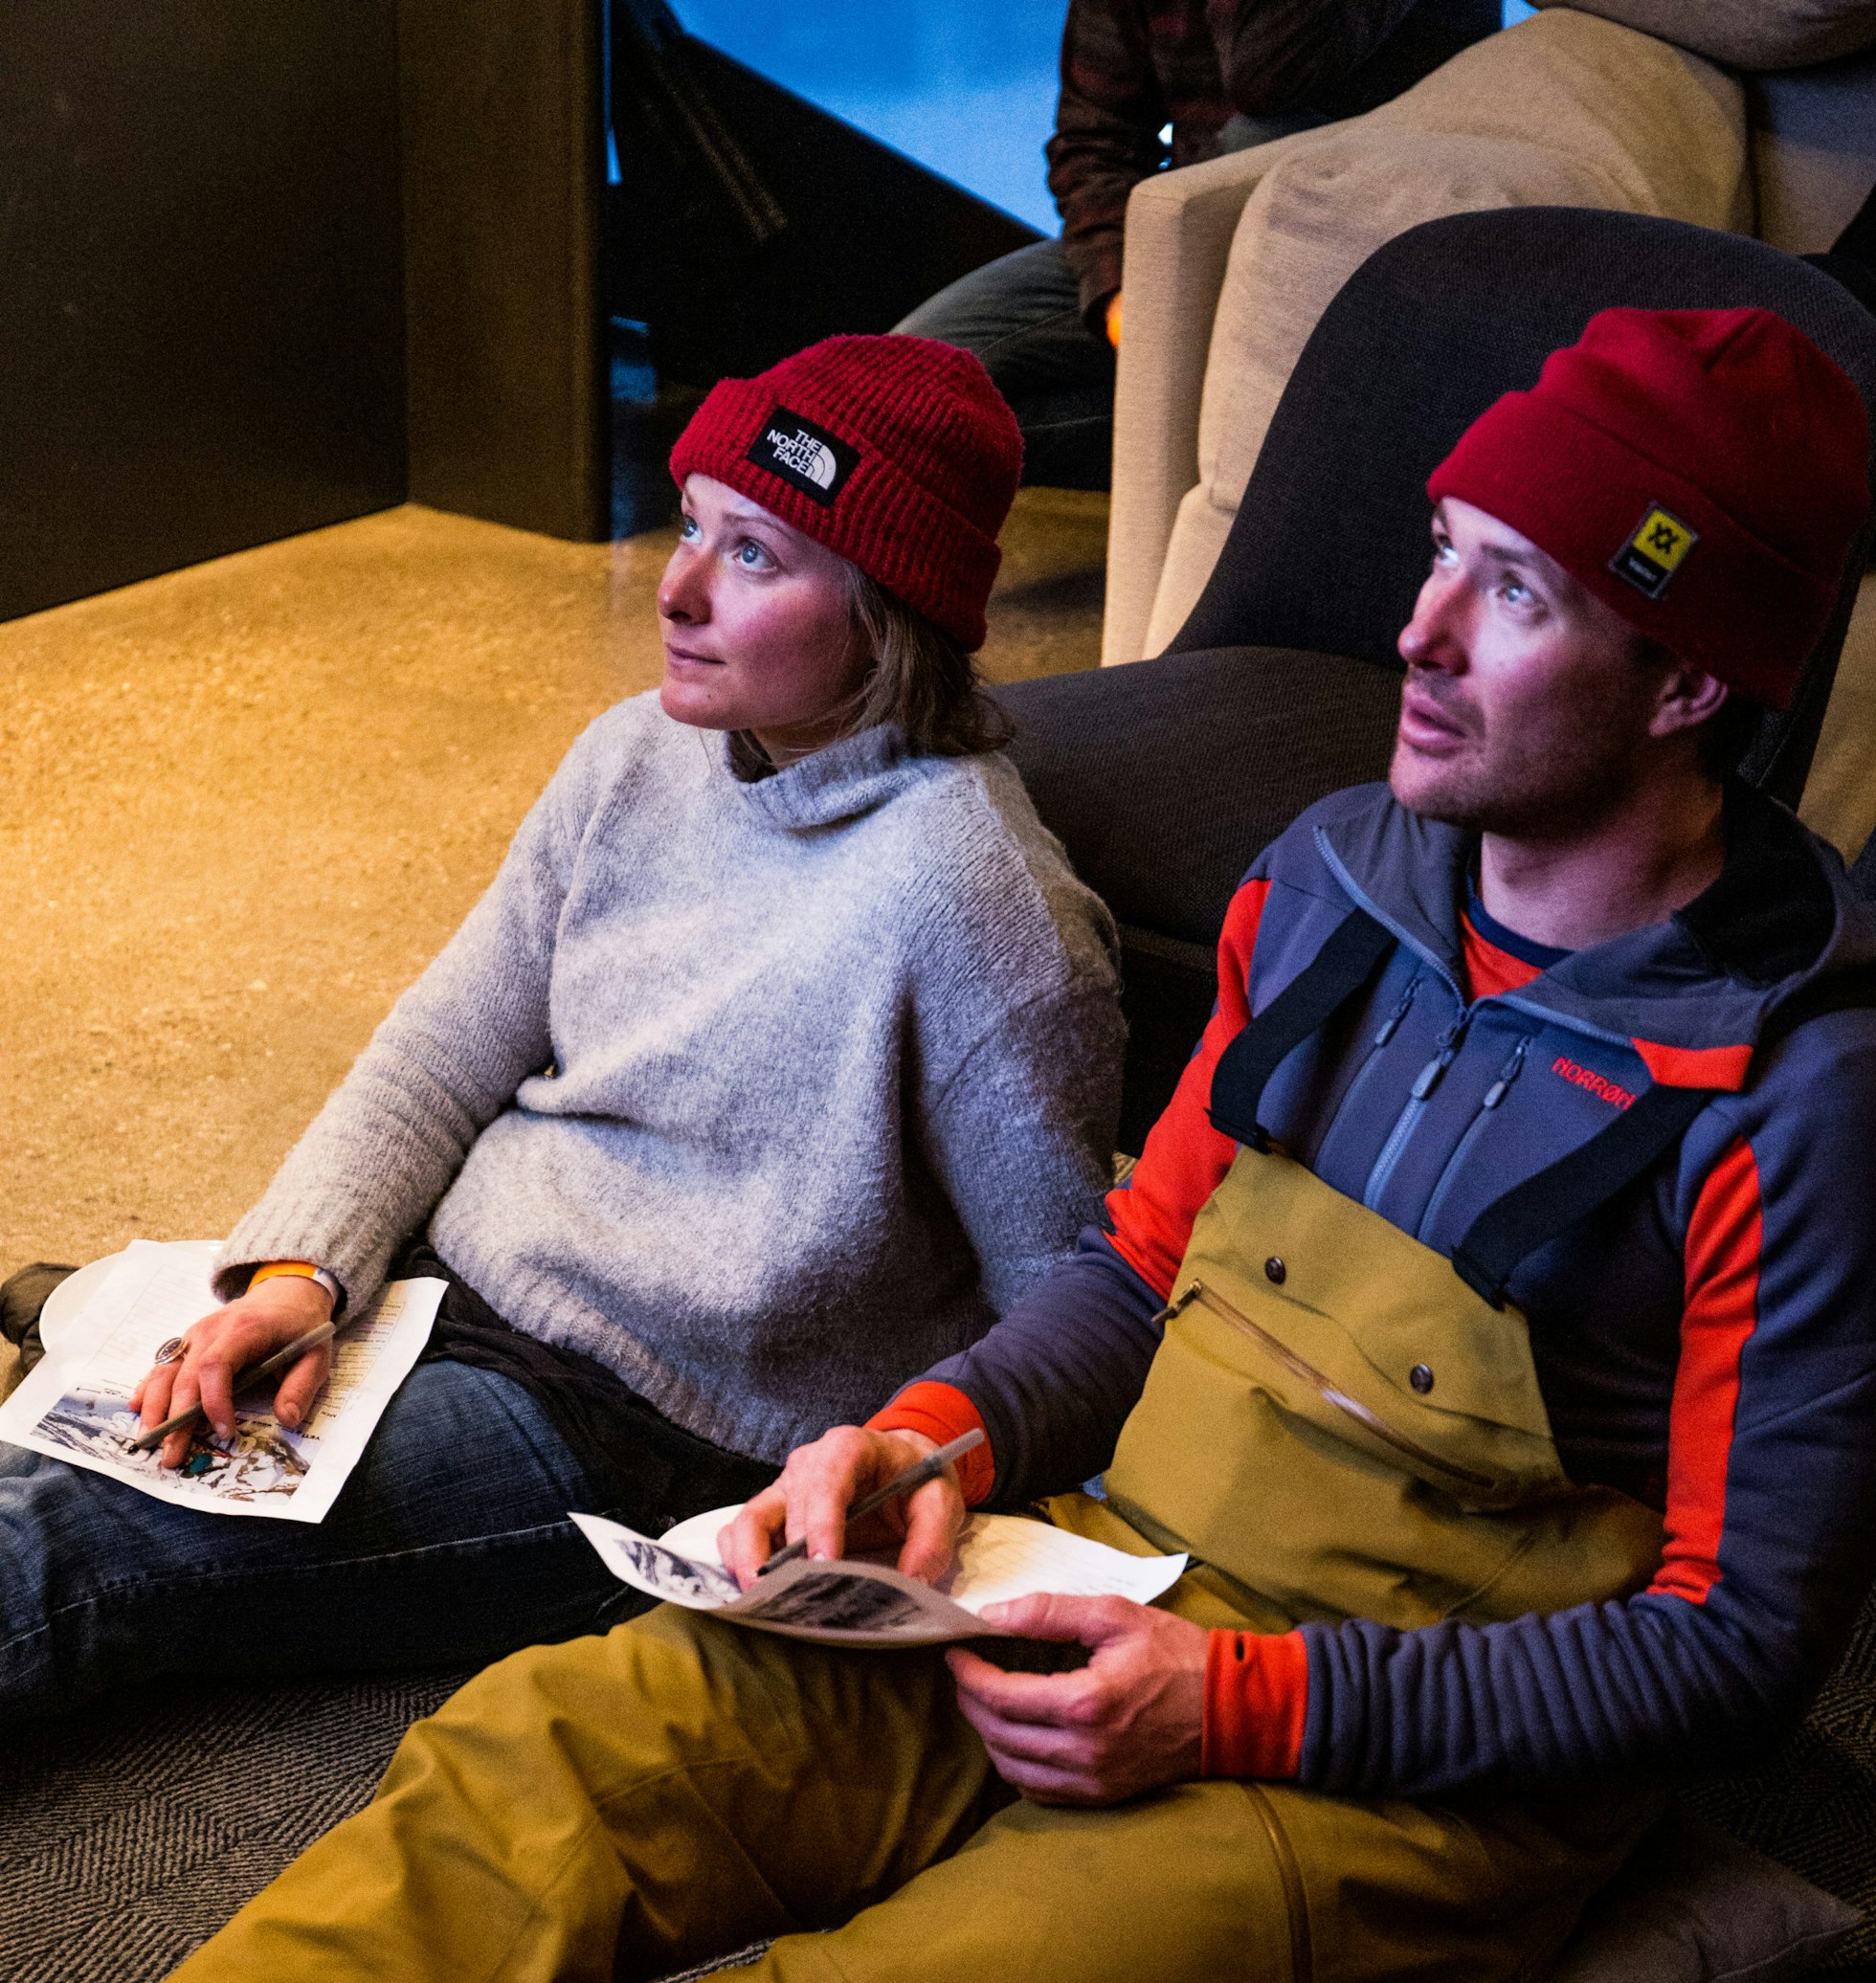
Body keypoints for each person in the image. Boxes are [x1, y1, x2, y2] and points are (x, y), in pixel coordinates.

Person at [96, 305, 1876, 1983]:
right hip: (1098, 1570)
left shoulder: (1804, 1097)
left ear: (1688, 679)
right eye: (1442, 551)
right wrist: (933, 1438)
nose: (1417, 633)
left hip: (1385, 1756)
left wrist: (1242, 1704)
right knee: (532, 1763)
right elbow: (1133, 1275)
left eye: (1514, 593)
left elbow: (1735, 1647)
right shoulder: (1330, 880)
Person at [0, 334, 1125, 1723]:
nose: (676, 587)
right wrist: (301, 1274)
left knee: (56, 1549)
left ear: (887, 611)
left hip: (638, 1434)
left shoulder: (981, 906)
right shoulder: (632, 752)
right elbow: (441, 1049)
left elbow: (1070, 1304)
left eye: (755, 554)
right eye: (692, 523)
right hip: (444, 1287)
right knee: (74, 1457)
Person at [896, 0, 1495, 488]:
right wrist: (1120, 299)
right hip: (1188, 249)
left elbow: (1267, 75)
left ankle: (1246, 448)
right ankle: (1205, 437)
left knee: (1257, 136)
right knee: (903, 383)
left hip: (1358, 271)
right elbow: (1095, 139)